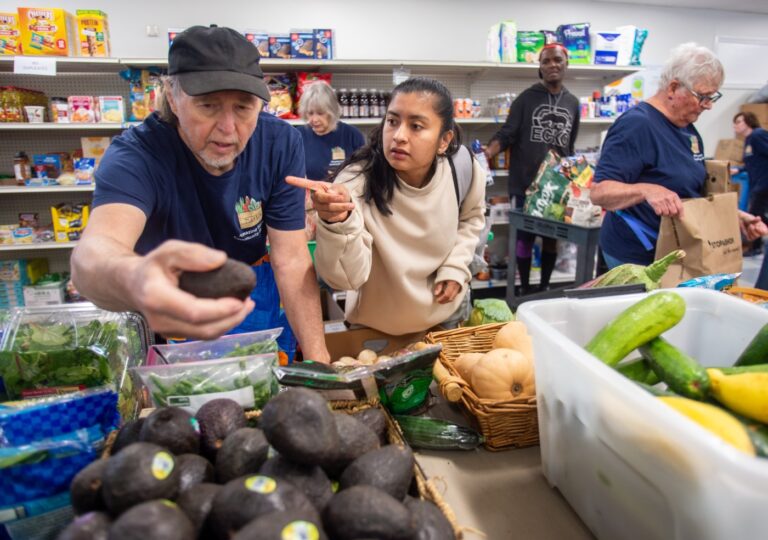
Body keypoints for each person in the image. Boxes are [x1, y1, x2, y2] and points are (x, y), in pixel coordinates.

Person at [70, 25, 330, 362]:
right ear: (172, 97)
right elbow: (93, 253)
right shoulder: (137, 155)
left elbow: (292, 258)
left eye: (243, 107)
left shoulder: (279, 143)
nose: (227, 128)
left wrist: (321, 363)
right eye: (208, 105)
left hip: (254, 293)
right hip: (168, 306)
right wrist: (135, 277)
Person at [298, 77, 486, 335]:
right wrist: (337, 222)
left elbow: (471, 219)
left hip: (446, 322)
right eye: (392, 121)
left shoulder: (462, 168)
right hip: (375, 333)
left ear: (444, 140)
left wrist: (456, 267)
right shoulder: (355, 182)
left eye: (416, 126)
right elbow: (343, 279)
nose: (398, 136)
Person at [590, 42, 767, 269]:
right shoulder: (637, 125)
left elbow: (689, 192)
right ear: (673, 88)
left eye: (713, 97)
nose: (708, 106)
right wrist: (646, 190)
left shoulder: (687, 129)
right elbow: (600, 192)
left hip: (674, 253)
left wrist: (734, 215)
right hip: (636, 258)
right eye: (702, 96)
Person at [484, 43, 580, 294]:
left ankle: (545, 288)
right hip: (525, 185)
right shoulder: (526, 99)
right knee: (524, 239)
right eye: (546, 61)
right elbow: (506, 134)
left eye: (557, 60)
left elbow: (570, 146)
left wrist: (574, 182)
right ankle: (524, 290)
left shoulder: (573, 103)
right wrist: (488, 152)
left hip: (556, 186)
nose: (552, 65)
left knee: (551, 239)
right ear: (539, 67)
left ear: (566, 63)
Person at [298, 82, 365, 181]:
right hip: (308, 195)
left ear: (332, 111)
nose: (314, 119)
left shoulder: (352, 135)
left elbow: (364, 175)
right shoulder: (297, 136)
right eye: (310, 113)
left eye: (320, 113)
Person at [733, 111, 768, 289]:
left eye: (739, 122)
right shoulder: (748, 140)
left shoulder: (758, 135)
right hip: (757, 184)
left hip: (764, 183)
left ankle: (755, 247)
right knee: (758, 215)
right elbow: (750, 162)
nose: (736, 126)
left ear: (748, 122)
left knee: (755, 214)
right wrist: (738, 170)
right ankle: (757, 245)